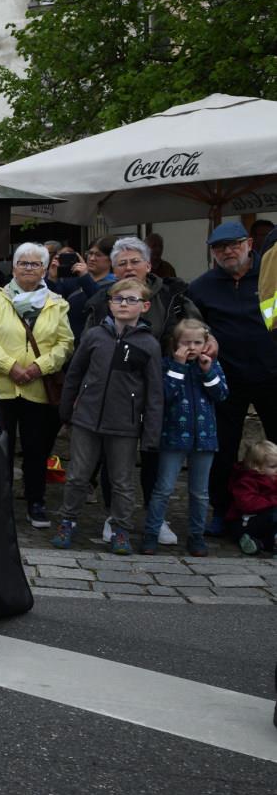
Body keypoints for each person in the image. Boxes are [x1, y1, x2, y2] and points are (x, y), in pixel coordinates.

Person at [81, 236, 200, 542]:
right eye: (122, 263)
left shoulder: (172, 296)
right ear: (114, 269)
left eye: (135, 261)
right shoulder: (101, 300)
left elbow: (196, 333)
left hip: (161, 389)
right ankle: (113, 516)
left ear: (148, 265)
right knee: (113, 458)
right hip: (115, 392)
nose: (129, 267)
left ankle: (154, 517)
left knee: (153, 455)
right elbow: (87, 347)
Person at [51, 278, 165, 555]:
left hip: (124, 425)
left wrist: (151, 434)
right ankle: (68, 521)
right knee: (78, 476)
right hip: (86, 420)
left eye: (131, 299)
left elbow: (154, 393)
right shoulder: (94, 336)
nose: (123, 304)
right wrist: (66, 411)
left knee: (122, 481)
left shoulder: (149, 344)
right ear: (110, 304)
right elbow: (75, 374)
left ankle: (121, 528)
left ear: (144, 306)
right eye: (118, 299)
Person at [188, 222, 277, 531]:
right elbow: (193, 329)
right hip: (226, 380)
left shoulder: (270, 275)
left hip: (272, 375)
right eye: (219, 247)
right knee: (222, 448)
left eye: (234, 244)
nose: (227, 251)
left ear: (249, 243)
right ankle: (222, 511)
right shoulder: (201, 287)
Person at [0, 243, 74, 528]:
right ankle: (0, 502)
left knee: (37, 450)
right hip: (3, 387)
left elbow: (65, 344)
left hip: (38, 389)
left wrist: (39, 367)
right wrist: (10, 366)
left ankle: (36, 501)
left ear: (44, 269)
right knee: (1, 449)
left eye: (35, 264)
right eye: (23, 263)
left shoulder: (57, 303)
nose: (28, 268)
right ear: (14, 267)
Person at [141, 319, 226, 556]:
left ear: (206, 344)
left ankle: (196, 536)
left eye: (197, 342)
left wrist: (208, 371)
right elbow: (164, 395)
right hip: (173, 437)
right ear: (175, 344)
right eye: (186, 342)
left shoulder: (211, 365)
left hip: (204, 439)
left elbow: (221, 394)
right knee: (163, 488)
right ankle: (151, 533)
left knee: (200, 492)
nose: (192, 347)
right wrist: (178, 367)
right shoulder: (166, 365)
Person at [227, 439, 277, 555]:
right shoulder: (246, 481)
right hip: (244, 523)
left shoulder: (273, 478)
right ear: (257, 467)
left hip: (264, 521)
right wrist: (274, 500)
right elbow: (248, 504)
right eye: (273, 466)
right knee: (275, 513)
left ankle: (261, 544)